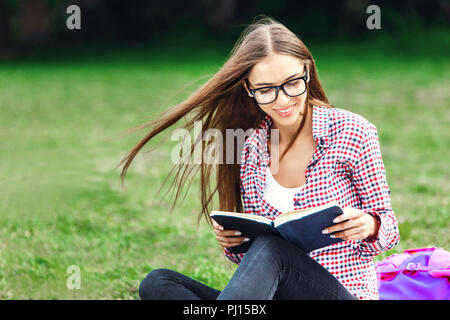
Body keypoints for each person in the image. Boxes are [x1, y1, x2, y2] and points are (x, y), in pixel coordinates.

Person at [118, 17, 400, 300]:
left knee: (272, 248)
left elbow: (390, 226)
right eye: (266, 90)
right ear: (248, 89)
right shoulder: (249, 147)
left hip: (342, 292)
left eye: (291, 83)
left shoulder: (353, 131)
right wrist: (233, 243)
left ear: (307, 70)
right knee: (158, 282)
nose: (282, 100)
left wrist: (370, 225)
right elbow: (255, 267)